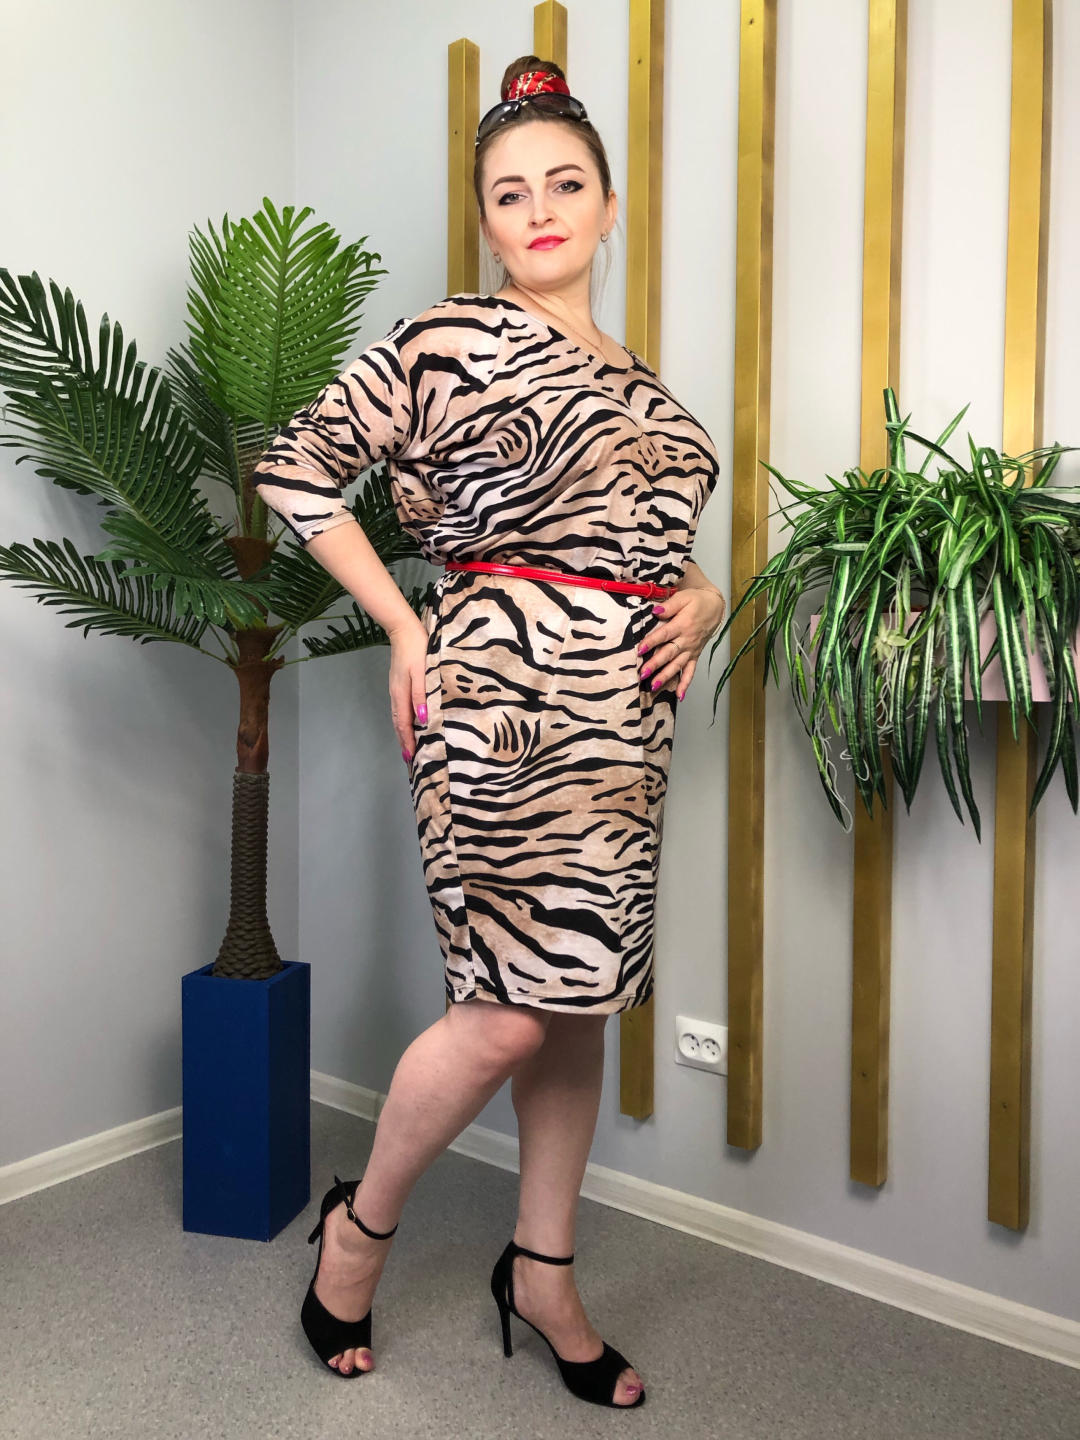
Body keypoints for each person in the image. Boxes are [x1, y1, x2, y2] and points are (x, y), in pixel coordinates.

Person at [251, 54, 727, 1410]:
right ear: (486, 224)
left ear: (610, 207)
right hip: (497, 707)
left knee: (577, 1004)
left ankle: (544, 1272)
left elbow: (648, 549)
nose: (541, 210)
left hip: (623, 735)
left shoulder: (650, 389)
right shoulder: (448, 339)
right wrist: (406, 626)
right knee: (510, 1014)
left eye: (566, 184)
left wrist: (704, 596)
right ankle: (360, 1235)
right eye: (510, 194)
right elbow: (295, 468)